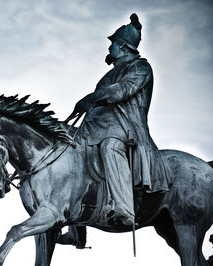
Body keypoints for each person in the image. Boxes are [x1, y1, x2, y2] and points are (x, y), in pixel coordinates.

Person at [65, 13, 172, 226]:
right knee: (71, 151)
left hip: (124, 128)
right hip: (97, 127)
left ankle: (124, 207)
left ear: (122, 45)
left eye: (112, 44)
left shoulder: (140, 67)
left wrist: (91, 97)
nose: (109, 49)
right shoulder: (110, 73)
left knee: (110, 148)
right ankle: (74, 224)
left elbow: (121, 91)